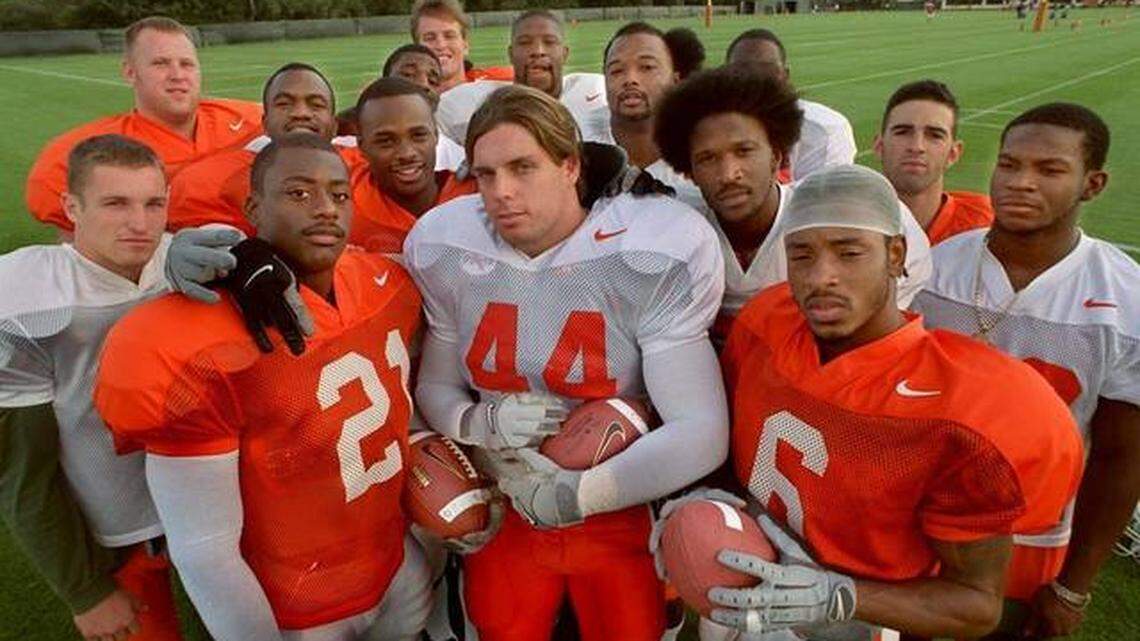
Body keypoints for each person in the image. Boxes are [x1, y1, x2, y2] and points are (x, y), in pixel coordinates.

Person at [687, 164, 1082, 641]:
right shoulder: (765, 321)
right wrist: (700, 504)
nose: (822, 277)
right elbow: (733, 448)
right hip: (742, 577)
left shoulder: (966, 409)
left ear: (896, 256)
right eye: (802, 254)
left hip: (860, 624)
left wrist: (839, 595)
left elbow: (977, 606)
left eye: (849, 252)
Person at [406, 84, 728, 641]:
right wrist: (478, 424)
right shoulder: (448, 245)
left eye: (522, 167)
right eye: (485, 174)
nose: (501, 192)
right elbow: (434, 384)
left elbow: (701, 429)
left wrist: (580, 493)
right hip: (501, 500)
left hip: (618, 499)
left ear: (570, 166)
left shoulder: (647, 249)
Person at [94, 134, 431, 641]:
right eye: (298, 193)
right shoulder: (189, 340)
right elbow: (205, 550)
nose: (325, 210)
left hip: (398, 567)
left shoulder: (389, 283)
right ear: (252, 206)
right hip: (293, 606)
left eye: (339, 195)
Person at [912, 102, 1140, 640]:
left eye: (1050, 169)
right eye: (1009, 164)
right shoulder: (932, 269)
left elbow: (1120, 455)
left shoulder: (1123, 297)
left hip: (1034, 537)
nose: (1020, 182)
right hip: (921, 521)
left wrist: (1074, 586)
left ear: (1093, 183)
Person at [1, 135, 184, 641]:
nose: (141, 223)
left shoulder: (183, 260)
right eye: (115, 203)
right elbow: (24, 473)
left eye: (154, 203)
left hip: (210, 499)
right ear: (71, 208)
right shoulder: (28, 300)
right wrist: (84, 590)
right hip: (114, 522)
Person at [653, 67, 932, 343]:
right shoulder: (672, 217)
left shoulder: (835, 211)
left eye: (744, 151)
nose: (729, 173)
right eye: (707, 158)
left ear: (776, 157)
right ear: (688, 171)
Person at [26, 16, 262, 233]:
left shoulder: (251, 118)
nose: (177, 74)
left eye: (187, 64)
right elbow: (65, 222)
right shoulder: (92, 146)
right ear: (130, 72)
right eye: (161, 63)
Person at [167, 63, 344, 235]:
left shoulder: (362, 163)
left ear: (335, 126)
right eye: (284, 104)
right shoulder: (208, 182)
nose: (300, 113)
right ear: (264, 124)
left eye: (316, 105)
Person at [436, 10, 609, 147]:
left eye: (549, 42)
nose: (538, 50)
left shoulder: (596, 90)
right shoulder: (464, 103)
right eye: (525, 42)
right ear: (511, 54)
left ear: (564, 54)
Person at [350, 77, 477, 254]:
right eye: (386, 141)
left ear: (435, 135)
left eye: (418, 135)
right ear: (362, 146)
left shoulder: (477, 193)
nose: (407, 153)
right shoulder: (343, 201)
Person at [584, 21, 705, 193]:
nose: (630, 79)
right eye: (617, 70)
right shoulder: (576, 140)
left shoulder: (702, 152)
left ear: (675, 80)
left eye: (647, 67)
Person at [725, 29, 856, 182]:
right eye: (742, 71)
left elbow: (821, 199)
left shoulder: (823, 128)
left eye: (767, 70)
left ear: (785, 75)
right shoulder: (706, 127)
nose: (755, 79)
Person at [875, 80, 993, 245]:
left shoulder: (989, 223)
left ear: (954, 153)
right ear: (879, 146)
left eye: (935, 135)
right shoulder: (842, 220)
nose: (917, 146)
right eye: (902, 132)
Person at [410, 0, 512, 93]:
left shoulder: (501, 82)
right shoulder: (404, 101)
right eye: (430, 38)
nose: (441, 45)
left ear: (465, 45)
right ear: (416, 50)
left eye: (449, 36)